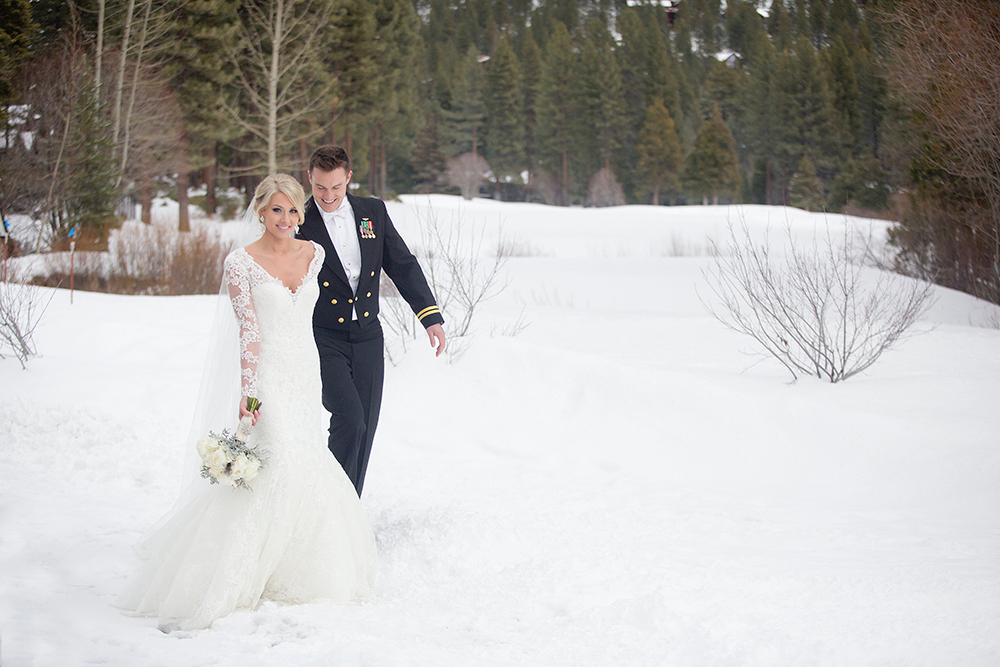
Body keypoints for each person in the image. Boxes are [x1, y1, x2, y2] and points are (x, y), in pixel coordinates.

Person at [116, 174, 377, 631]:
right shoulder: (241, 263)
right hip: (269, 377)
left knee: (307, 459)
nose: (287, 219)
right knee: (277, 462)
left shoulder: (313, 254)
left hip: (304, 371)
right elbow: (250, 333)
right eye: (277, 210)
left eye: (294, 210)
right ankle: (241, 569)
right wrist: (250, 392)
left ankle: (300, 563)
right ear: (260, 211)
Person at [297, 145, 445, 496]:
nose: (328, 196)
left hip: (367, 334)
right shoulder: (299, 221)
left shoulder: (372, 212)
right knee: (349, 419)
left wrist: (429, 316)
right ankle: (325, 504)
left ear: (348, 178)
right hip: (323, 336)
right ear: (310, 179)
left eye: (335, 187)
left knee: (366, 427)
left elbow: (402, 263)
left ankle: (346, 511)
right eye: (320, 188)